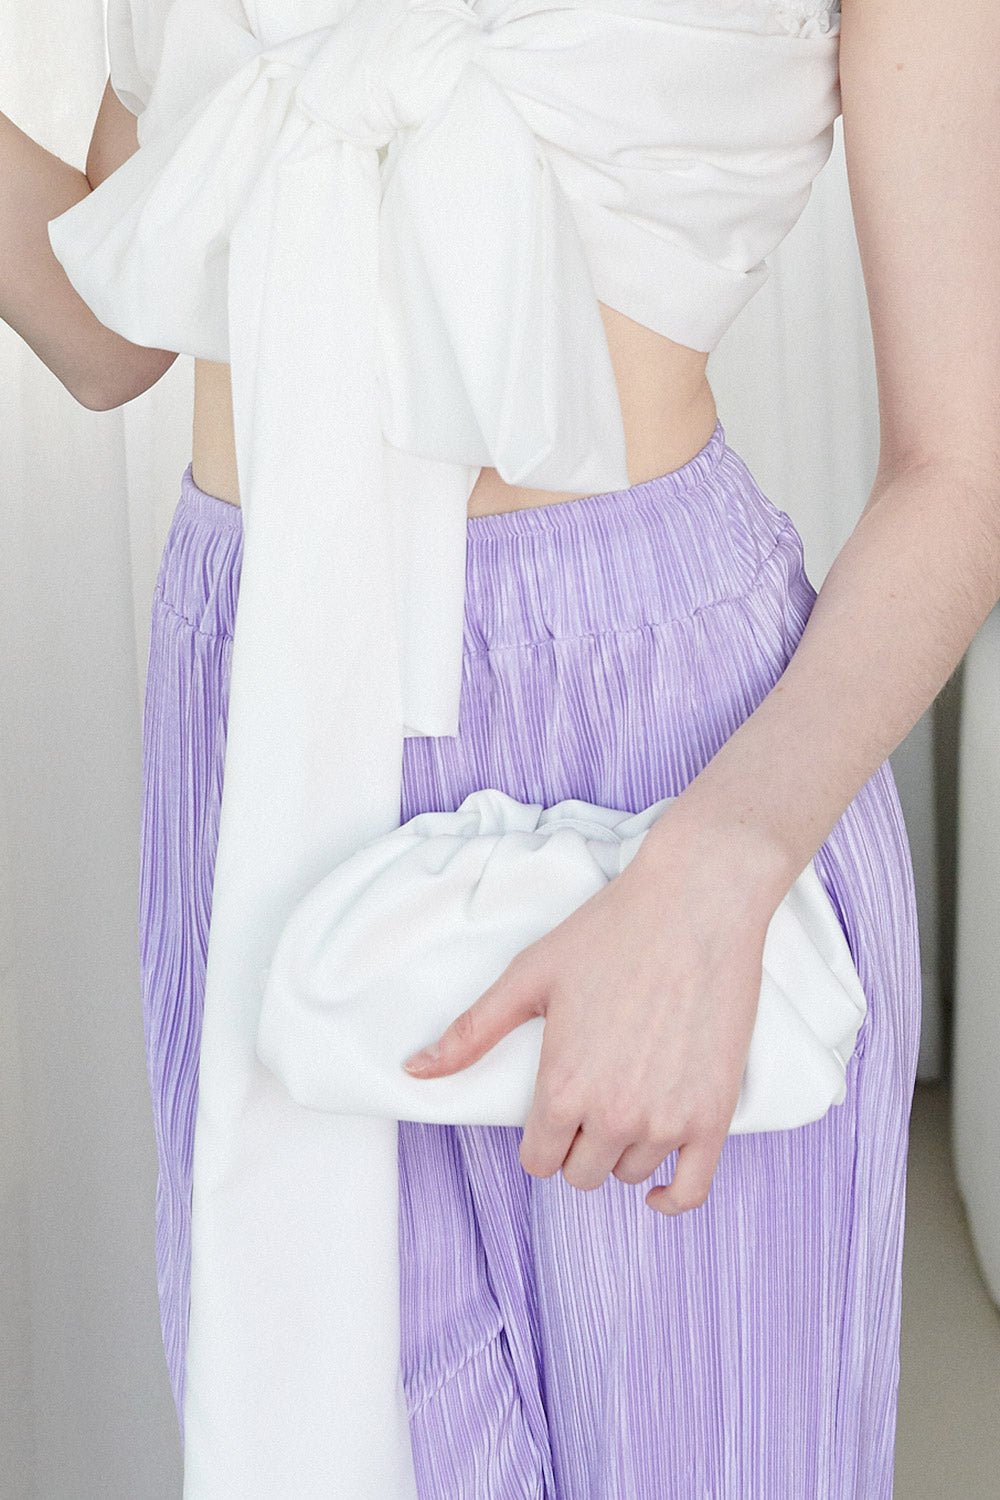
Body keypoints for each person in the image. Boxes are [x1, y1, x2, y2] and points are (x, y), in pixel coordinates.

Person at [3, 0, 998, 1494]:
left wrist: (714, 874)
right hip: (259, 696)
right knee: (319, 1425)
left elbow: (962, 470)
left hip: (662, 744)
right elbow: (108, 331)